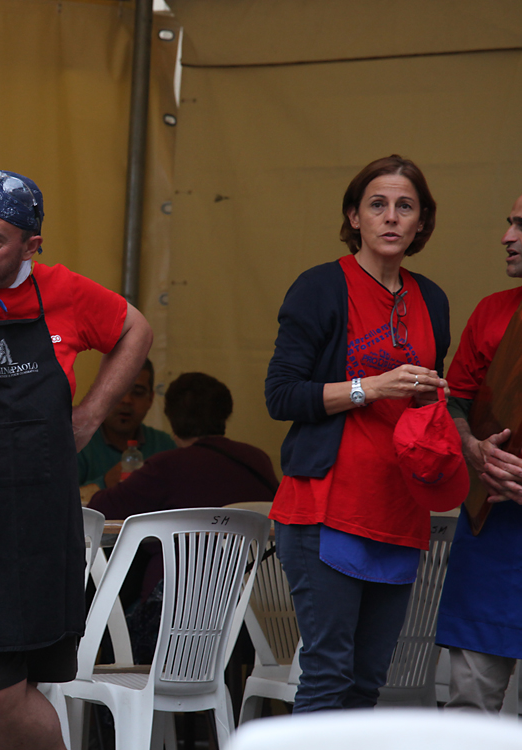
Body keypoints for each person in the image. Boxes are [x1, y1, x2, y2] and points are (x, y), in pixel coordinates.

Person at [0, 169, 153, 750]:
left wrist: (91, 415)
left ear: (31, 246)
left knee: (10, 692)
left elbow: (136, 329)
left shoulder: (64, 290)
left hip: (43, 524)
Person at [264, 155, 451, 712]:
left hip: (400, 511)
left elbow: (431, 402)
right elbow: (281, 395)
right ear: (355, 217)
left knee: (368, 685)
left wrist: (462, 436)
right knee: (326, 679)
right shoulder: (322, 286)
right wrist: (370, 387)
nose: (391, 217)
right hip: (326, 510)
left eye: (405, 206)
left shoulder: (432, 299)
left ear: (421, 222)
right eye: (377, 205)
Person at [435, 194, 522, 712]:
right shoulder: (493, 311)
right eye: (509, 222)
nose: (507, 237)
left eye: (521, 225)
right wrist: (471, 447)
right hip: (492, 529)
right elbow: (454, 401)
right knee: (470, 704)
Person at [89, 372, 277, 604]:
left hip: (182, 608)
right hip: (259, 603)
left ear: (172, 417)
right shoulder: (258, 459)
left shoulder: (167, 466)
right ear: (225, 413)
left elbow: (99, 511)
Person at [77, 358, 176, 489]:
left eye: (138, 392)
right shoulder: (78, 445)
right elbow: (58, 502)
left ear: (151, 399)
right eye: (118, 390)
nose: (126, 400)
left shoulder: (165, 446)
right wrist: (104, 483)